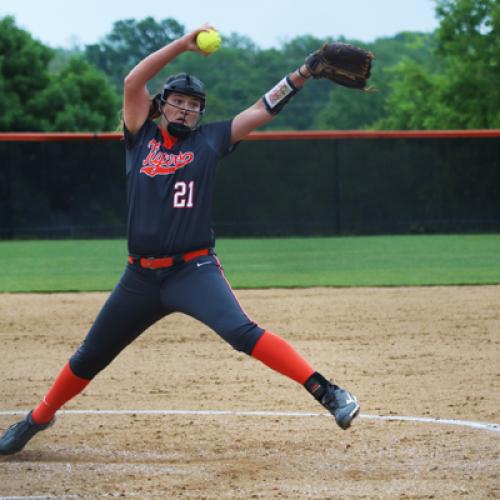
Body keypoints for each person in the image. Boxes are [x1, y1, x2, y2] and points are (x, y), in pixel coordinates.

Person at [0, 24, 360, 455]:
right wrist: (184, 45)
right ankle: (37, 418)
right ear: (162, 105)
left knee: (241, 332)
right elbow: (133, 81)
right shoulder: (140, 139)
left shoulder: (212, 140)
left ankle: (329, 393)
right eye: (179, 101)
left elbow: (263, 108)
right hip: (139, 278)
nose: (187, 109)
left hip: (193, 269)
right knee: (89, 356)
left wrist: (302, 74)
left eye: (194, 104)